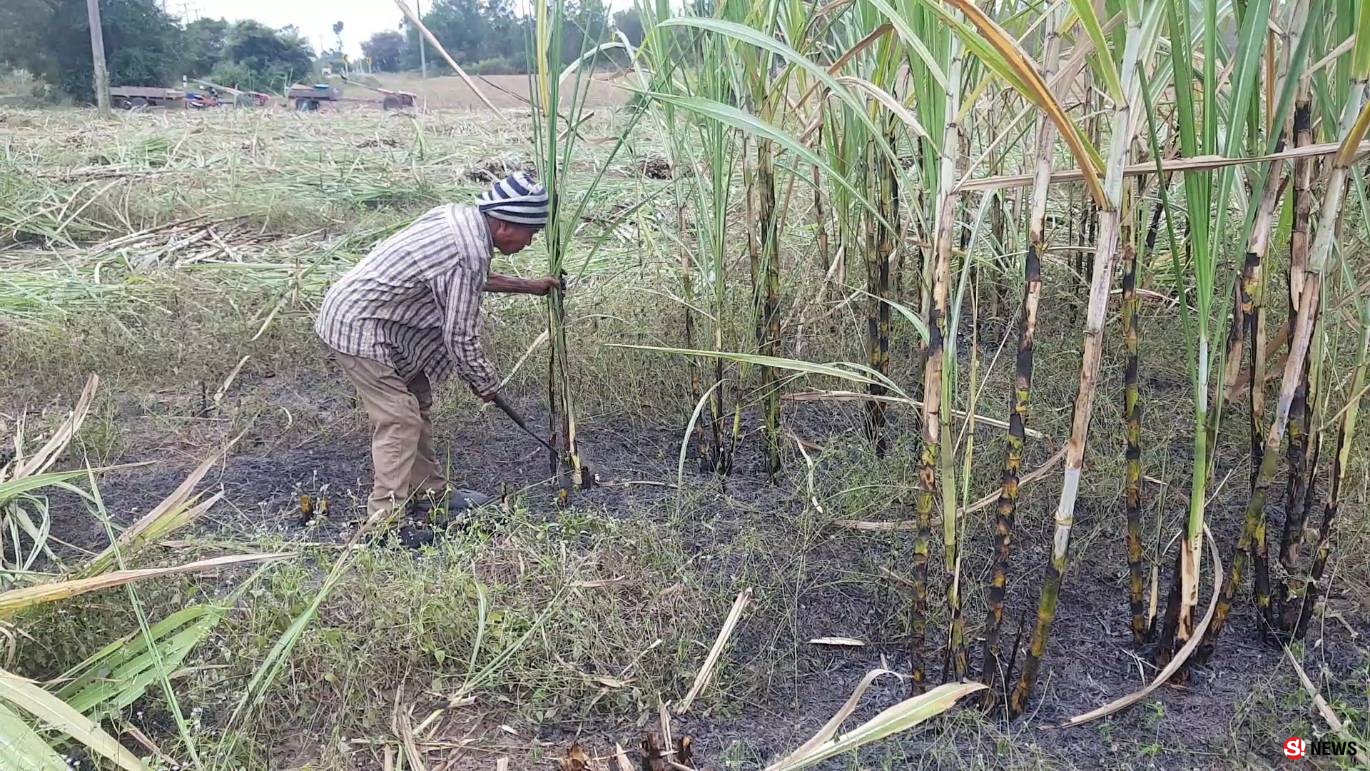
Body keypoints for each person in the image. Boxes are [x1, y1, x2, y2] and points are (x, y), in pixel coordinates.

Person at [315, 173, 559, 541]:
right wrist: (485, 384)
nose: (531, 242)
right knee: (399, 419)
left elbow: (467, 276)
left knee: (417, 403)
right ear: (506, 223)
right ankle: (383, 523)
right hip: (359, 325)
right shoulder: (467, 251)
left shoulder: (461, 219)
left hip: (388, 325)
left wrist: (529, 286)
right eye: (531, 233)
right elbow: (459, 334)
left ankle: (428, 493)